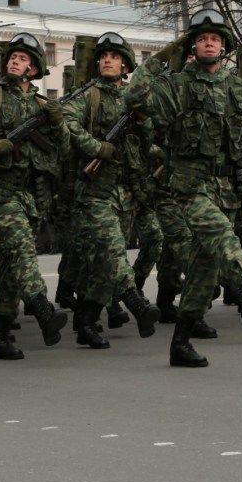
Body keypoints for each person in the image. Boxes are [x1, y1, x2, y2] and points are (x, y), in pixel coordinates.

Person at [124, 9, 242, 368]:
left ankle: (180, 344)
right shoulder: (177, 85)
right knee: (223, 240)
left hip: (227, 188)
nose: (208, 43)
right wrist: (160, 59)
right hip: (188, 186)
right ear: (192, 46)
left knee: (204, 270)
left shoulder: (237, 89)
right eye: (201, 38)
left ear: (224, 47)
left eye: (214, 39)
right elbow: (136, 97)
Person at [0, 32, 69, 360]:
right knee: (22, 251)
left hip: (32, 197)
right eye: (12, 57)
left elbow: (63, 149)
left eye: (22, 58)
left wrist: (59, 122)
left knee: (10, 266)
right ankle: (42, 309)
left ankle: (1, 333)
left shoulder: (42, 106)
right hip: (2, 195)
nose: (14, 61)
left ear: (34, 70)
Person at [63, 32, 159, 348]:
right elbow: (68, 125)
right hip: (93, 192)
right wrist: (97, 148)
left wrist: (144, 124)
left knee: (104, 264)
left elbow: (147, 141)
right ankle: (137, 305)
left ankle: (86, 321)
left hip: (124, 191)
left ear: (125, 65)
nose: (107, 60)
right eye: (103, 56)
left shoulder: (132, 99)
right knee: (114, 250)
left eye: (114, 57)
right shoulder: (88, 96)